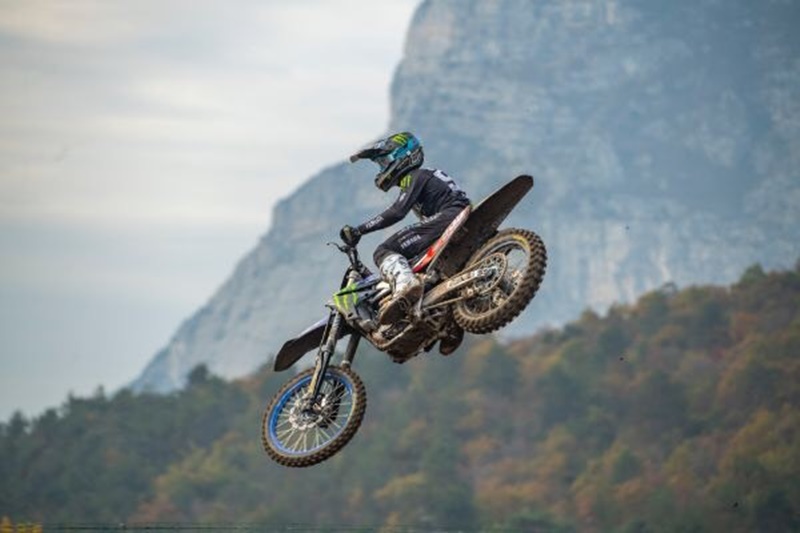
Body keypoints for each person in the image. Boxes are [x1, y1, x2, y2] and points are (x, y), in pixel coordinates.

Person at [340, 132, 470, 355]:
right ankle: (450, 321)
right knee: (420, 266)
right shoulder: (424, 177)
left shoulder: (414, 176)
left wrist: (359, 230)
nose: (382, 169)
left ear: (403, 156)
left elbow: (397, 212)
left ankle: (405, 285)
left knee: (384, 250)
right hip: (454, 215)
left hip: (449, 215)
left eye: (384, 162)